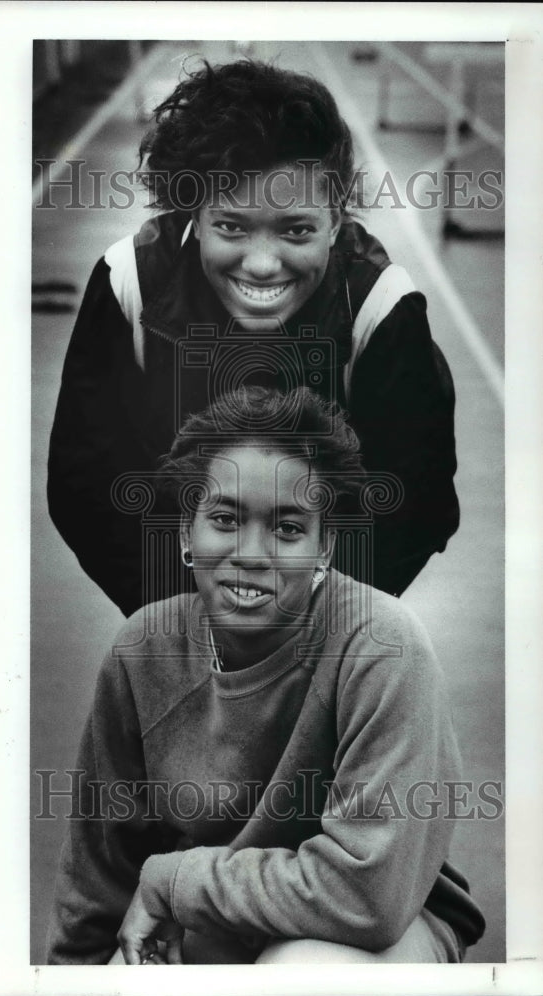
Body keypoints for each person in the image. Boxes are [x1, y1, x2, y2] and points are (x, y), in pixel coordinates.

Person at [45, 386, 484, 965]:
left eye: (288, 528)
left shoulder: (381, 648)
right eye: (224, 519)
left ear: (326, 545)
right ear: (185, 532)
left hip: (372, 934)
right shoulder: (141, 652)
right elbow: (98, 879)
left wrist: (176, 882)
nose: (251, 553)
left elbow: (369, 895)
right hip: (211, 924)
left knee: (302, 969)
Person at [47, 59, 459, 615]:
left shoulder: (379, 306)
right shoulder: (130, 283)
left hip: (326, 628)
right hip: (177, 610)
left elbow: (415, 502)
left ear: (336, 221)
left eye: (296, 229)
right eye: (232, 226)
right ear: (195, 213)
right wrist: (193, 621)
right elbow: (88, 486)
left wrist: (301, 627)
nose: (262, 265)